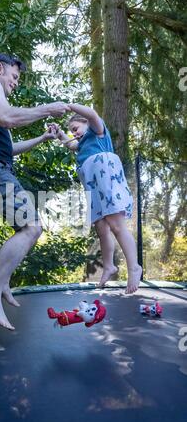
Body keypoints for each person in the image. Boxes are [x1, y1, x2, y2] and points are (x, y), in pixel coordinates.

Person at [0, 53, 69, 330]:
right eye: (14, 77)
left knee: (27, 229)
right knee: (32, 227)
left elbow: (9, 148)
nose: (15, 83)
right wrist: (47, 108)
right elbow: (8, 117)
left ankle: (2, 284)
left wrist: (43, 137)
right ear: (0, 68)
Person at [52, 104, 142, 294]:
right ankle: (109, 266)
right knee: (101, 228)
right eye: (72, 131)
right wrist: (60, 133)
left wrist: (68, 107)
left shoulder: (97, 131)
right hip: (93, 185)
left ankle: (134, 267)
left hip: (107, 179)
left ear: (86, 124)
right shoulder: (82, 144)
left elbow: (92, 114)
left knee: (116, 225)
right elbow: (71, 144)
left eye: (75, 129)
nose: (74, 133)